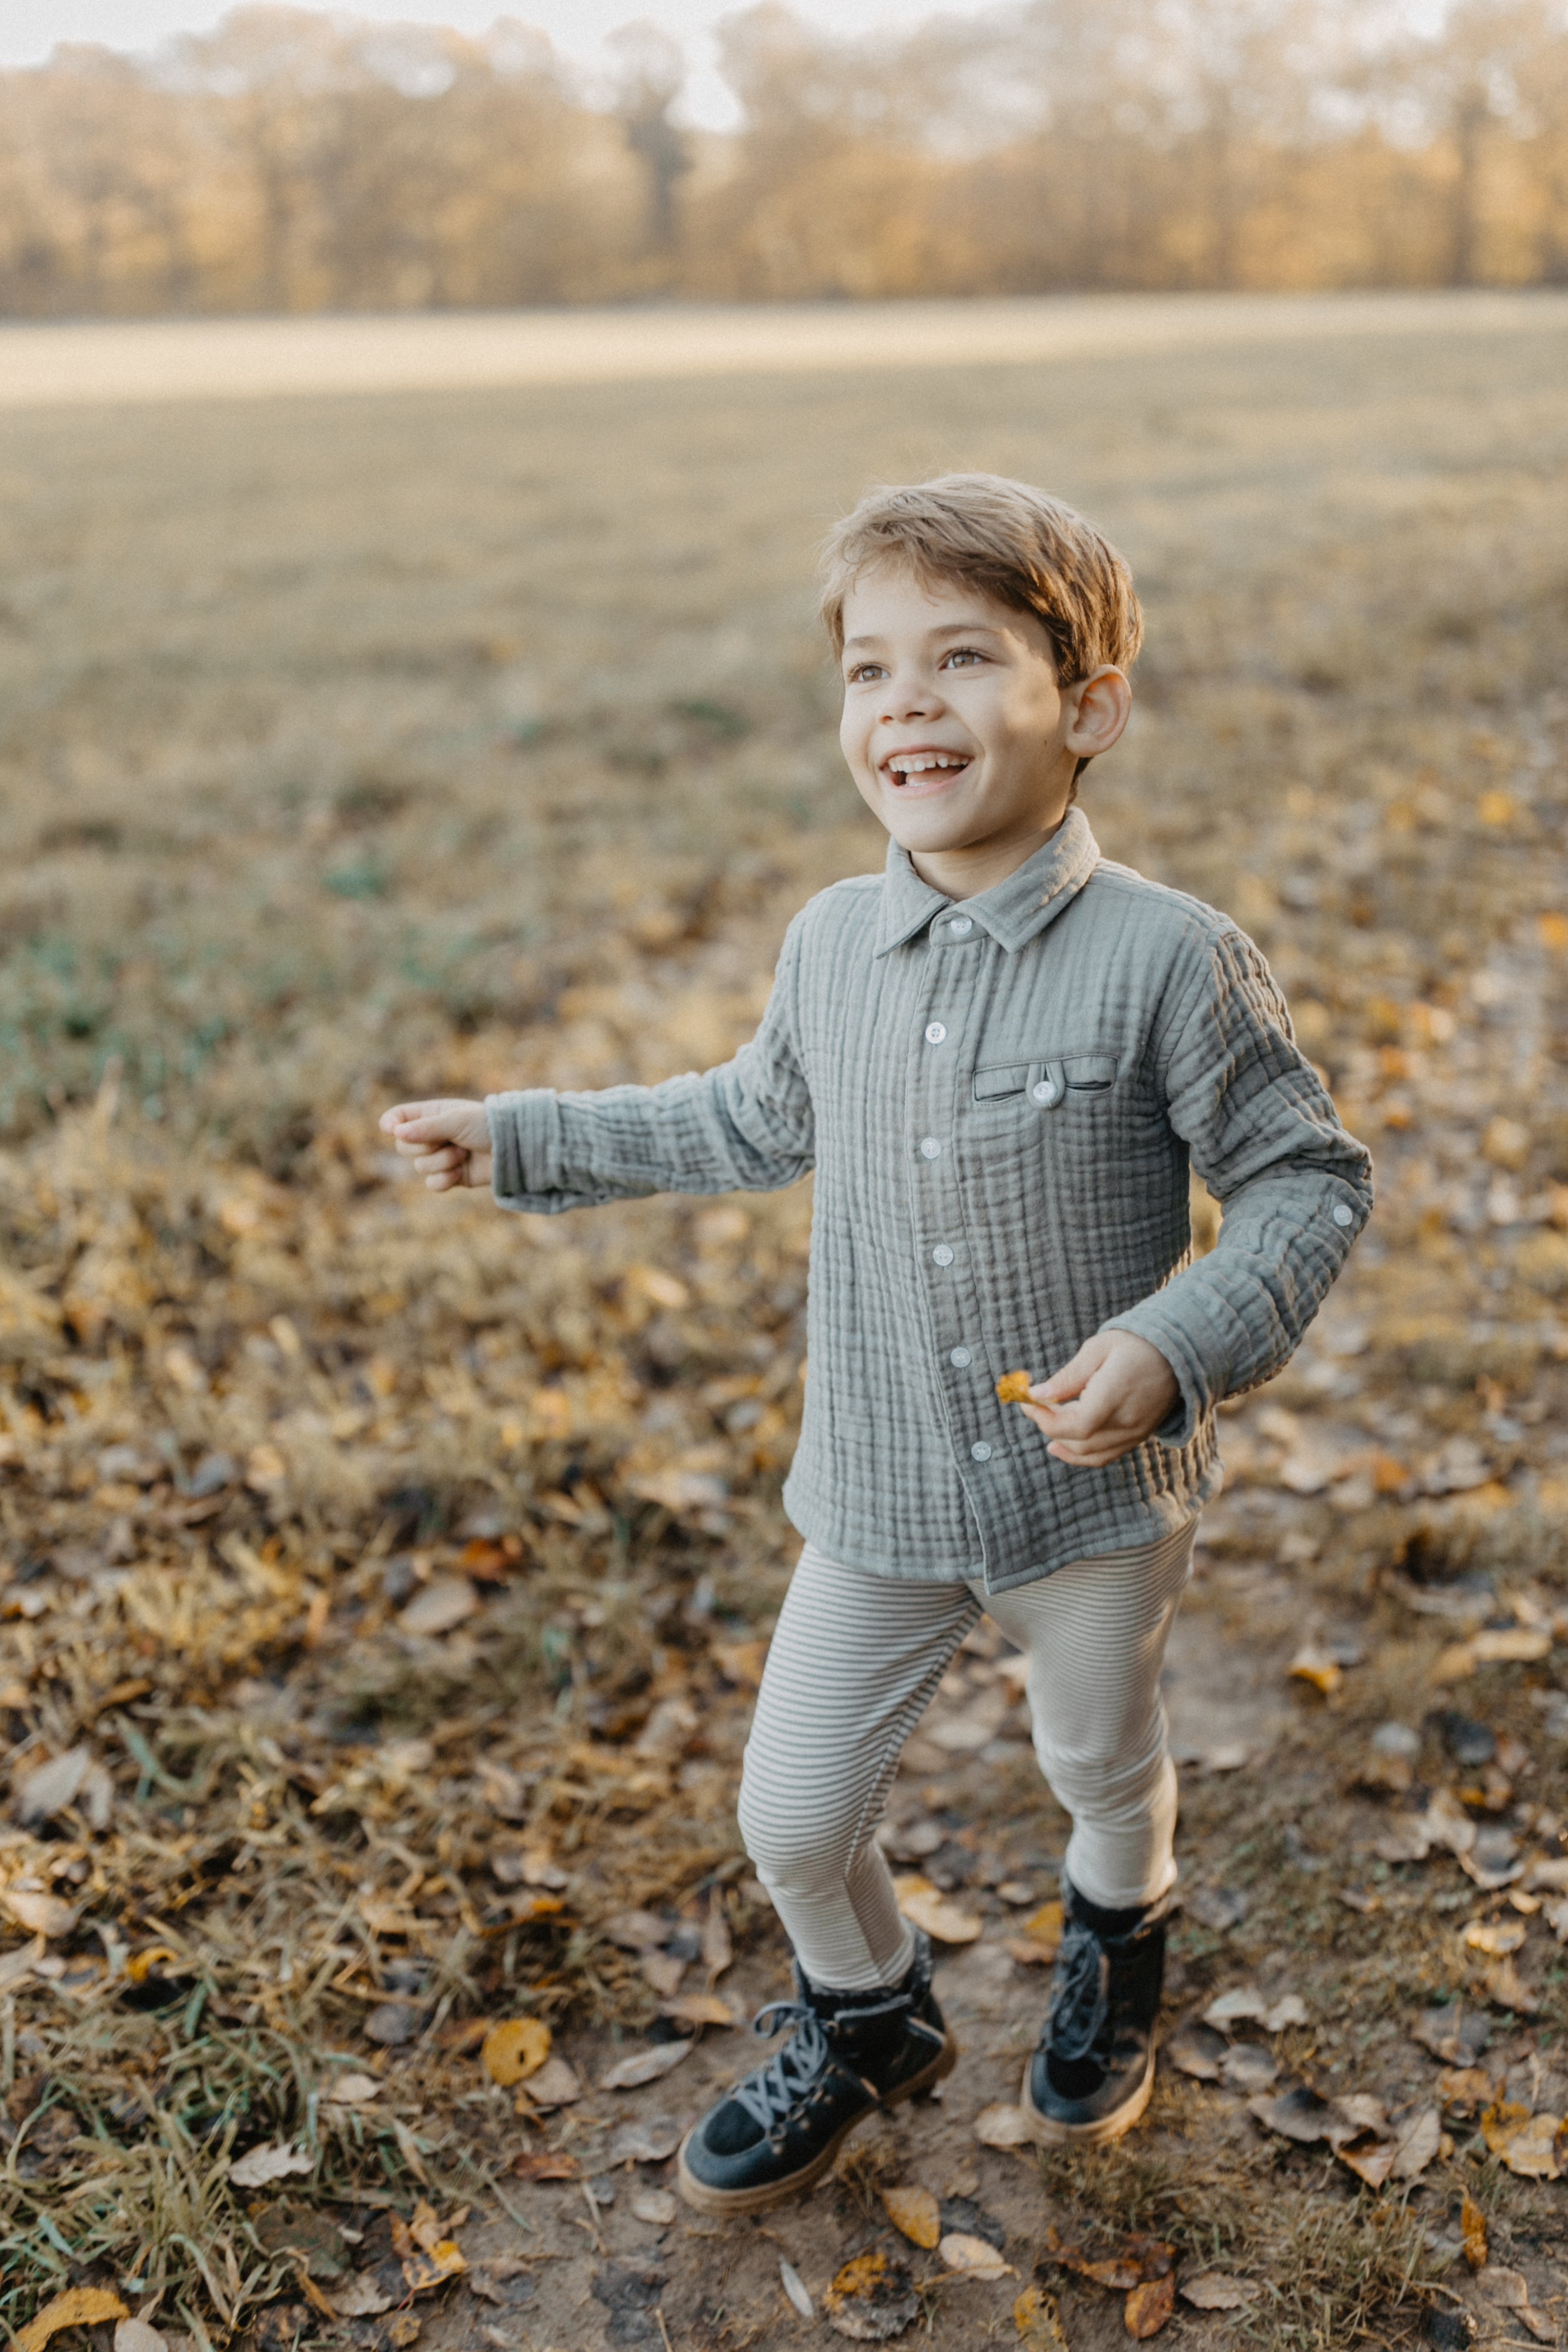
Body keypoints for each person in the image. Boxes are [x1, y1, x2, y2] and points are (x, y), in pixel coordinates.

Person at [380, 473, 1373, 2216]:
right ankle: (869, 2013)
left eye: (964, 658)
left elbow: (1305, 1182)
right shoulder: (831, 941)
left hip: (1094, 1495)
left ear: (1089, 710)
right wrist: (524, 1135)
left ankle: (1117, 1932)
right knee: (791, 1815)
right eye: (866, 668)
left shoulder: (1170, 960)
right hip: (880, 1484)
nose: (903, 702)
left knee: (1094, 1754)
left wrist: (1173, 1336)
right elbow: (744, 1118)